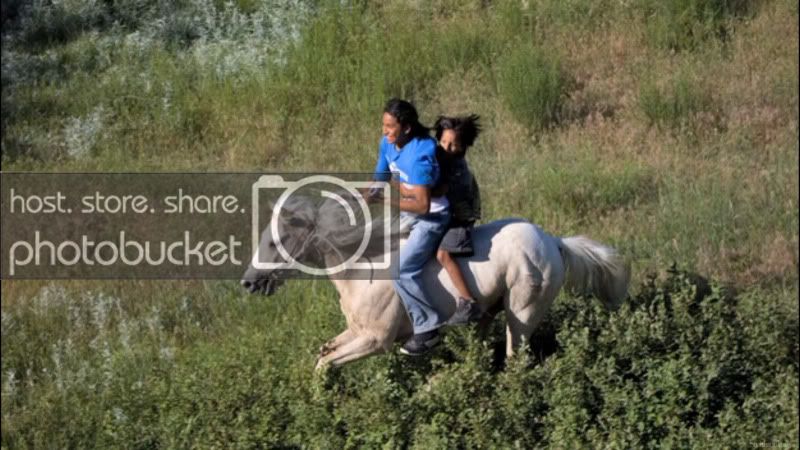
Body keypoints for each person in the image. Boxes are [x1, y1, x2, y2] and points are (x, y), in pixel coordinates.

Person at [372, 98, 453, 355]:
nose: (385, 131)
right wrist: (356, 197)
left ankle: (427, 329)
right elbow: (381, 178)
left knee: (400, 270)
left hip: (432, 219)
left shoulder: (421, 153)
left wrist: (385, 198)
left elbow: (422, 206)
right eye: (383, 125)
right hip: (407, 208)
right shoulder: (389, 143)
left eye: (389, 126)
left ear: (406, 128)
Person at [432, 115, 484, 325]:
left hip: (461, 218)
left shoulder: (457, 168)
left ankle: (468, 302)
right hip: (448, 213)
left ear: (463, 146)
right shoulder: (445, 160)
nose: (447, 147)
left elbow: (438, 191)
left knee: (443, 255)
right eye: (444, 142)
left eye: (453, 144)